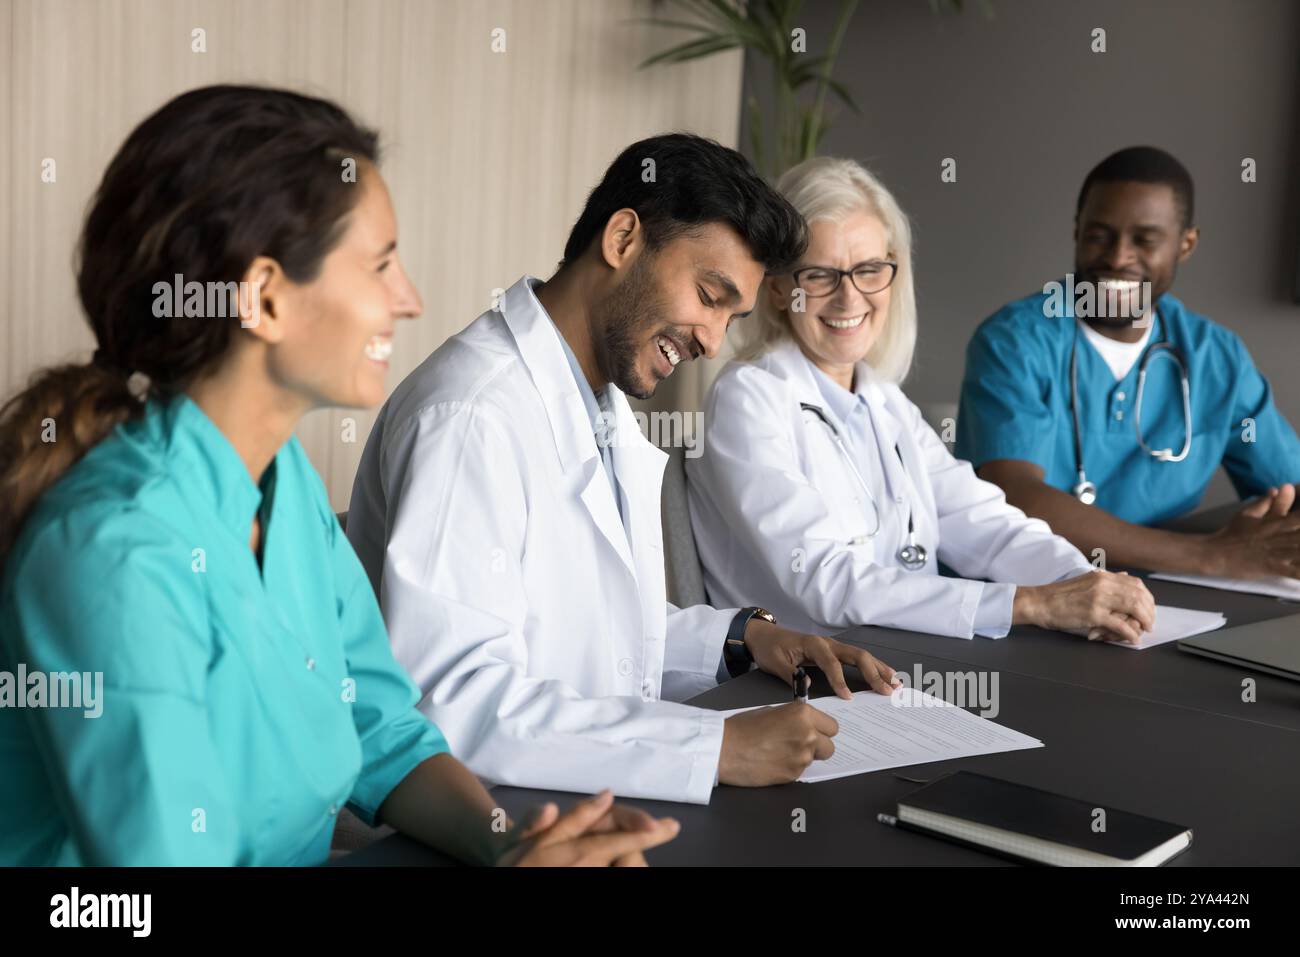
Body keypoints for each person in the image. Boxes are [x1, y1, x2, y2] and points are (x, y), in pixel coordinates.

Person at [0, 85, 675, 866]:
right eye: (381, 264)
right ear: (264, 298)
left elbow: (379, 726)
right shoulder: (112, 551)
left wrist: (514, 844)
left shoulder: (279, 481)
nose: (409, 299)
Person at [346, 134, 901, 807]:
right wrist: (711, 745)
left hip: (578, 799)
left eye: (732, 315)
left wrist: (744, 638)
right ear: (622, 239)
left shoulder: (601, 399)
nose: (712, 340)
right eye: (709, 293)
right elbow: (451, 702)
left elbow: (595, 637)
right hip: (492, 823)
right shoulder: (471, 414)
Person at [685, 156, 1154, 644]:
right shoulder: (748, 398)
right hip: (800, 690)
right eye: (820, 275)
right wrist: (1032, 603)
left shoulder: (884, 402)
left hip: (898, 662)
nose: (850, 299)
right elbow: (825, 580)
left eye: (868, 270)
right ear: (779, 288)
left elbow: (985, 524)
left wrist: (1080, 583)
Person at [957, 146, 1300, 580]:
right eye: (1099, 235)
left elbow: (1287, 488)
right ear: (1077, 231)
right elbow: (1017, 494)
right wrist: (1212, 556)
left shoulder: (1215, 356)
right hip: (1022, 595)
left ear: (1186, 244)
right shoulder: (1016, 340)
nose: (1118, 258)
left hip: (1162, 597)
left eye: (1145, 240)